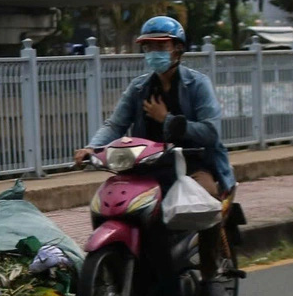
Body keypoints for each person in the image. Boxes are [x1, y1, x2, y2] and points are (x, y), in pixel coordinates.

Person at [74, 15, 233, 197]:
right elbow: (115, 125)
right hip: (146, 166)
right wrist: (92, 148)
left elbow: (210, 132)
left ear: (178, 49)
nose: (153, 52)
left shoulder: (198, 84)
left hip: (191, 165)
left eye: (161, 46)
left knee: (203, 198)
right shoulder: (139, 88)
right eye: (148, 47)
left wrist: (167, 120)